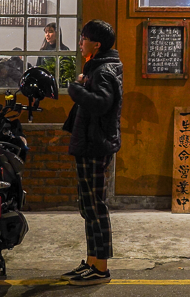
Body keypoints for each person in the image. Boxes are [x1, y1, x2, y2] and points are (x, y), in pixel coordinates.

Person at [61, 20, 122, 286]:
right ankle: (91, 261)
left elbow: (100, 104)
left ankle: (101, 269)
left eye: (83, 38)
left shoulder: (104, 71)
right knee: (88, 207)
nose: (80, 42)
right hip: (90, 144)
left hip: (95, 146)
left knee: (96, 207)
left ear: (96, 44)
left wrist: (75, 89)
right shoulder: (98, 67)